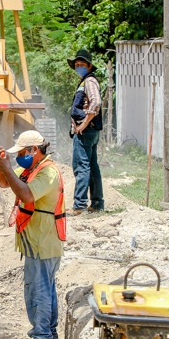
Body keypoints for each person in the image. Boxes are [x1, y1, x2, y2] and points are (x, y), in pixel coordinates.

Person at [0, 130, 67, 339]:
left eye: (23, 152)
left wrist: (5, 166)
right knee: (42, 289)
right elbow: (5, 182)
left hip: (44, 241)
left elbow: (25, 195)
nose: (19, 157)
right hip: (36, 240)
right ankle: (47, 337)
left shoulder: (48, 173)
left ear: (35, 150)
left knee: (39, 291)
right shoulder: (31, 169)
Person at [67, 49, 104, 215]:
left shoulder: (89, 81)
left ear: (89, 66)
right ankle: (96, 204)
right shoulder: (85, 81)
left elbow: (96, 102)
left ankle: (79, 205)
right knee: (92, 167)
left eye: (82, 64)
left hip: (86, 131)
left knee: (81, 166)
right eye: (76, 64)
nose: (78, 66)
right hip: (90, 130)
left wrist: (83, 124)